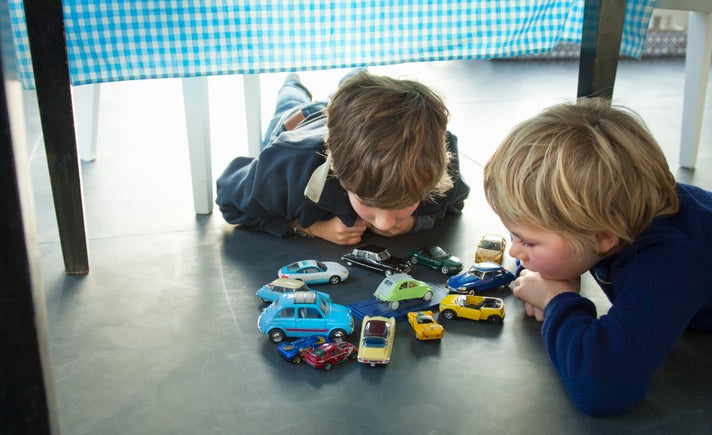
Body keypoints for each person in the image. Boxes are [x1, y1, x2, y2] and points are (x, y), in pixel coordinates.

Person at [483, 97, 712, 417]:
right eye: (513, 235)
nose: (514, 252)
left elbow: (603, 386)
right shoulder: (616, 210)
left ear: (604, 239)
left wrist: (558, 300)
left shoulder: (669, 262)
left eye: (528, 243)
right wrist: (550, 264)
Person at [216, 70, 470, 245]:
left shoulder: (438, 154)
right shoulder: (289, 164)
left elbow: (453, 202)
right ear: (337, 171)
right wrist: (307, 227)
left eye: (408, 202)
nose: (384, 222)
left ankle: (355, 77)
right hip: (299, 122)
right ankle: (291, 80)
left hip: (348, 121)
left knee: (357, 82)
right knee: (291, 99)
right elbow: (230, 201)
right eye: (366, 201)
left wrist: (415, 222)